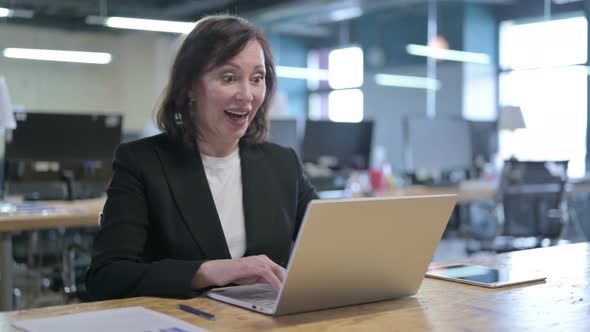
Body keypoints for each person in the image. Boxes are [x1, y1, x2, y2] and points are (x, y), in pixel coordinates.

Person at [85, 14, 318, 300]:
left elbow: (332, 246)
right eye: (229, 77)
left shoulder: (283, 163)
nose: (247, 94)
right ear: (191, 87)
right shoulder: (142, 162)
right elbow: (107, 276)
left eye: (257, 78)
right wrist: (208, 272)